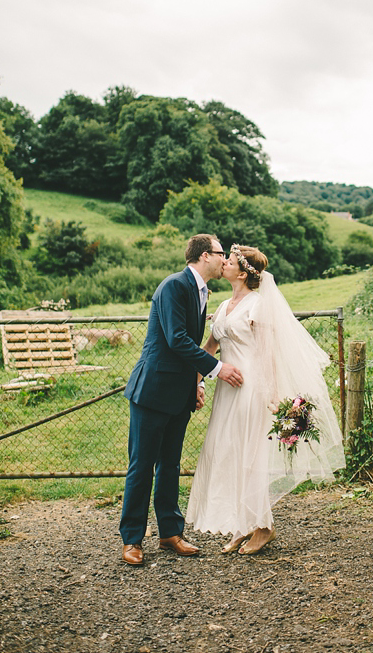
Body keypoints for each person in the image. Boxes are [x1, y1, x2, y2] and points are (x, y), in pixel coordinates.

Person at [186, 244, 345, 554]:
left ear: (243, 273)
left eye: (229, 262)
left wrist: (272, 394)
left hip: (251, 388)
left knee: (250, 457)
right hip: (227, 390)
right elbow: (209, 349)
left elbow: (266, 353)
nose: (224, 265)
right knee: (229, 452)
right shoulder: (223, 305)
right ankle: (241, 524)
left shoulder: (258, 306)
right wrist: (196, 382)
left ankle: (264, 526)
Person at [119, 234, 243, 566]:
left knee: (170, 465)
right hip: (152, 392)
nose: (224, 259)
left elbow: (184, 346)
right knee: (142, 467)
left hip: (178, 395)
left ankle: (170, 533)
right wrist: (217, 368)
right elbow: (176, 339)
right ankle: (132, 539)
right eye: (221, 254)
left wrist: (195, 385)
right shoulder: (174, 286)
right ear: (205, 255)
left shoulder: (201, 291)